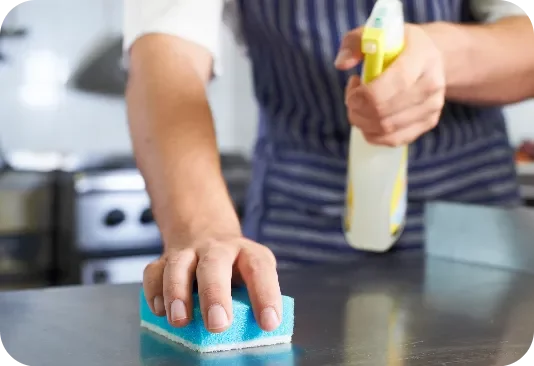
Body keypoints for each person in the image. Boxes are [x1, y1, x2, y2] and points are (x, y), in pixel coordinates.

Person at [123, 0, 533, 334]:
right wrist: (203, 228)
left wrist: (438, 55)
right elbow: (167, 53)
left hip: (470, 223)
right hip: (299, 220)